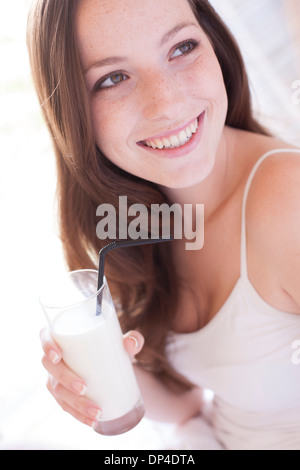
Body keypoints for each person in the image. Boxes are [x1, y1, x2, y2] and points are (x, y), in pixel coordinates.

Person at [27, 0, 300, 450]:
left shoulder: (288, 204)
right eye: (113, 78)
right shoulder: (140, 222)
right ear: (73, 113)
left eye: (182, 47)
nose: (167, 102)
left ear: (215, 45)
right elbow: (186, 407)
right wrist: (99, 372)